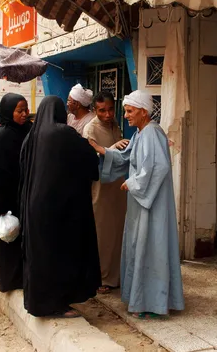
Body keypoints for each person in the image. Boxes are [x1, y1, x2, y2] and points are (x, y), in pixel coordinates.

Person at [89, 90, 185, 318]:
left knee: (152, 248)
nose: (126, 116)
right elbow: (126, 158)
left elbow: (159, 167)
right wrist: (101, 149)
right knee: (141, 248)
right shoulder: (141, 134)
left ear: (143, 112)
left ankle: (154, 303)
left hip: (152, 204)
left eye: (130, 111)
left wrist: (134, 183)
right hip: (141, 203)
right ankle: (143, 300)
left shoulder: (152, 133)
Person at [20, 95, 101, 318]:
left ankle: (38, 302)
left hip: (34, 207)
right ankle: (58, 304)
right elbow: (90, 162)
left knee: (39, 256)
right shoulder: (64, 134)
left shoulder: (32, 137)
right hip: (59, 210)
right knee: (59, 255)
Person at [82, 92, 128, 294]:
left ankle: (115, 277)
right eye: (102, 110)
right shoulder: (89, 129)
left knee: (118, 232)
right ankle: (101, 278)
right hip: (101, 190)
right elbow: (91, 158)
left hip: (118, 189)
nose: (108, 114)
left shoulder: (114, 124)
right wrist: (112, 149)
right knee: (103, 233)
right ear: (94, 110)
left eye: (110, 109)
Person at [0, 93, 32, 292]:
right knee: (8, 238)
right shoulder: (2, 136)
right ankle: (9, 281)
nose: (24, 114)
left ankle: (24, 279)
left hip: (27, 195)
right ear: (8, 112)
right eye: (19, 111)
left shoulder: (30, 131)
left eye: (26, 110)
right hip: (7, 198)